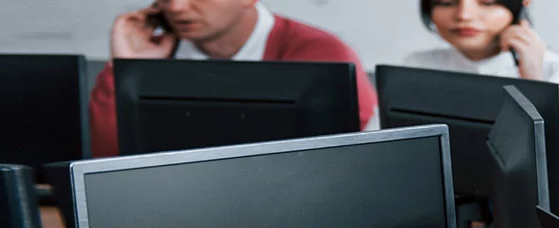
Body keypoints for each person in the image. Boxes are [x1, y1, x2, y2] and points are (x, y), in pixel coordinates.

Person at [89, 0, 378, 157]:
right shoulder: (157, 50)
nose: (175, 7)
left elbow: (357, 163)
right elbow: (104, 158)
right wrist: (127, 68)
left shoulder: (319, 52)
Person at [400, 0, 559, 173]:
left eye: (487, 3)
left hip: (556, 203)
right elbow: (379, 142)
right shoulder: (416, 64)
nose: (464, 15)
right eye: (446, 2)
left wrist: (533, 79)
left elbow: (549, 165)